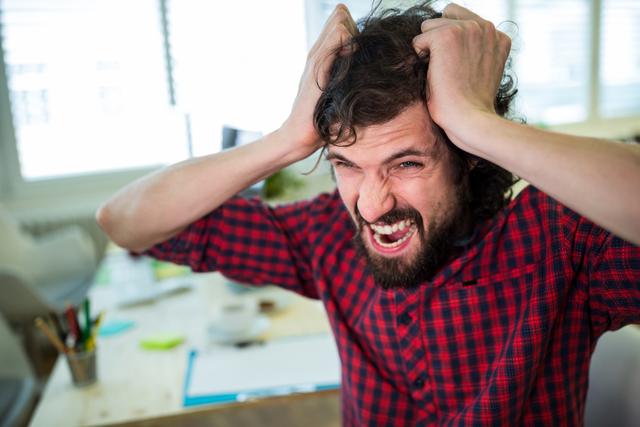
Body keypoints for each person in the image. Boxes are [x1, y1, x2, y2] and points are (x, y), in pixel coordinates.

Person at [97, 2, 640, 425]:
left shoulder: (559, 242)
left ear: (470, 156)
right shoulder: (327, 236)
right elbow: (125, 221)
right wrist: (288, 139)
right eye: (347, 165)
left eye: (405, 163)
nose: (373, 204)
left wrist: (477, 124)